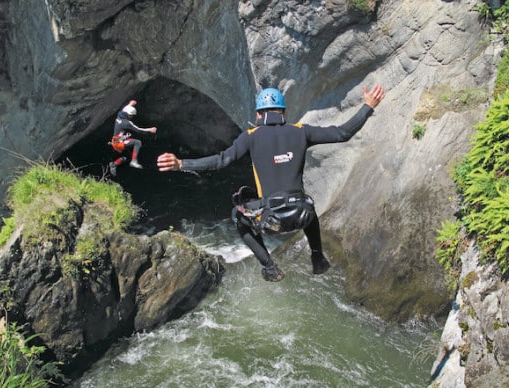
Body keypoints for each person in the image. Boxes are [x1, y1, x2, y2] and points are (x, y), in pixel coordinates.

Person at [157, 84, 386, 281]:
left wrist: (182, 164)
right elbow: (342, 133)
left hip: (272, 219)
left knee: (238, 215)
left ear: (259, 115)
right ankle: (317, 257)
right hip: (301, 215)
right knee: (307, 203)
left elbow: (221, 160)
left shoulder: (251, 135)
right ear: (283, 112)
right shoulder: (301, 131)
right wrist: (368, 106)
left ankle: (269, 266)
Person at [108, 99, 157, 175]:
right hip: (119, 142)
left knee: (127, 156)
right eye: (131, 116)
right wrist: (150, 129)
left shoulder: (119, 115)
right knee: (137, 142)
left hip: (115, 141)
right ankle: (134, 161)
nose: (132, 117)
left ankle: (114, 164)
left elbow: (124, 109)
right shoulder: (127, 123)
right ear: (129, 115)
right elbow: (139, 130)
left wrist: (130, 104)